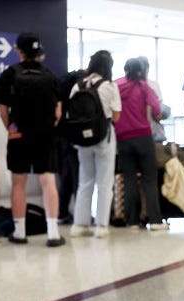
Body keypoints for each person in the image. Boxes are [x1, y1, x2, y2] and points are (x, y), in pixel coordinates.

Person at [0, 32, 66, 247]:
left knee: (19, 182)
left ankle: (20, 232)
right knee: (48, 181)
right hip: (45, 136)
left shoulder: (10, 74)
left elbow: (3, 110)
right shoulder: (51, 76)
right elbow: (58, 112)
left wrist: (13, 129)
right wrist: (46, 128)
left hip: (19, 137)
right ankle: (53, 233)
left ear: (18, 50)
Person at [69, 50, 121, 238]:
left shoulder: (78, 86)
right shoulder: (109, 86)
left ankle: (80, 224)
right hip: (103, 136)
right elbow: (116, 116)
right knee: (105, 182)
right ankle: (101, 226)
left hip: (82, 139)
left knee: (85, 180)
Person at [115, 58, 166, 230]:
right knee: (149, 179)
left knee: (129, 178)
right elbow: (157, 109)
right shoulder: (144, 86)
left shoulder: (117, 86)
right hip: (143, 137)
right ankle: (155, 220)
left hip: (122, 138)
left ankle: (132, 220)